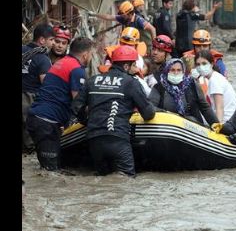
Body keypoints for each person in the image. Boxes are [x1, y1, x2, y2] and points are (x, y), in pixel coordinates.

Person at [72, 45, 156, 177]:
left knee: (102, 179)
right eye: (134, 65)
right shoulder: (131, 82)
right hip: (118, 139)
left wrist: (86, 122)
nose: (136, 69)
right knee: (127, 179)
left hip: (95, 140)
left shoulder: (93, 80)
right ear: (127, 66)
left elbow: (76, 107)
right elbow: (148, 113)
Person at [26, 37, 93, 171]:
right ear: (85, 54)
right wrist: (89, 120)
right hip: (46, 122)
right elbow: (78, 102)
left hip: (37, 119)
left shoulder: (61, 62)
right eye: (91, 54)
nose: (90, 58)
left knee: (48, 169)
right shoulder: (77, 69)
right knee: (51, 172)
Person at [148, 58, 219, 127]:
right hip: (167, 126)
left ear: (183, 71)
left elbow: (205, 108)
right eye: (172, 70)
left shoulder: (192, 85)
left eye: (179, 70)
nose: (176, 73)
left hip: (193, 127)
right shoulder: (159, 87)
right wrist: (166, 113)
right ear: (167, 71)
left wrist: (217, 125)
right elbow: (151, 106)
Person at [22, 23, 55, 152]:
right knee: (29, 130)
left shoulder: (23, 49)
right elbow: (46, 83)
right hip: (30, 97)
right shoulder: (43, 58)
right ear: (42, 40)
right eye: (51, 40)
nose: (53, 43)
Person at [193, 50, 236, 123]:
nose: (201, 67)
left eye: (204, 63)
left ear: (212, 64)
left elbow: (219, 107)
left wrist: (218, 128)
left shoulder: (215, 80)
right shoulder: (213, 78)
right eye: (198, 64)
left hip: (227, 120)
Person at [91, 0, 156, 39]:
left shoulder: (139, 20)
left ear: (130, 13)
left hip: (139, 47)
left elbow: (152, 29)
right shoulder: (124, 18)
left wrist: (154, 44)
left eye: (123, 15)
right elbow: (109, 17)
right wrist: (94, 14)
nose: (121, 16)